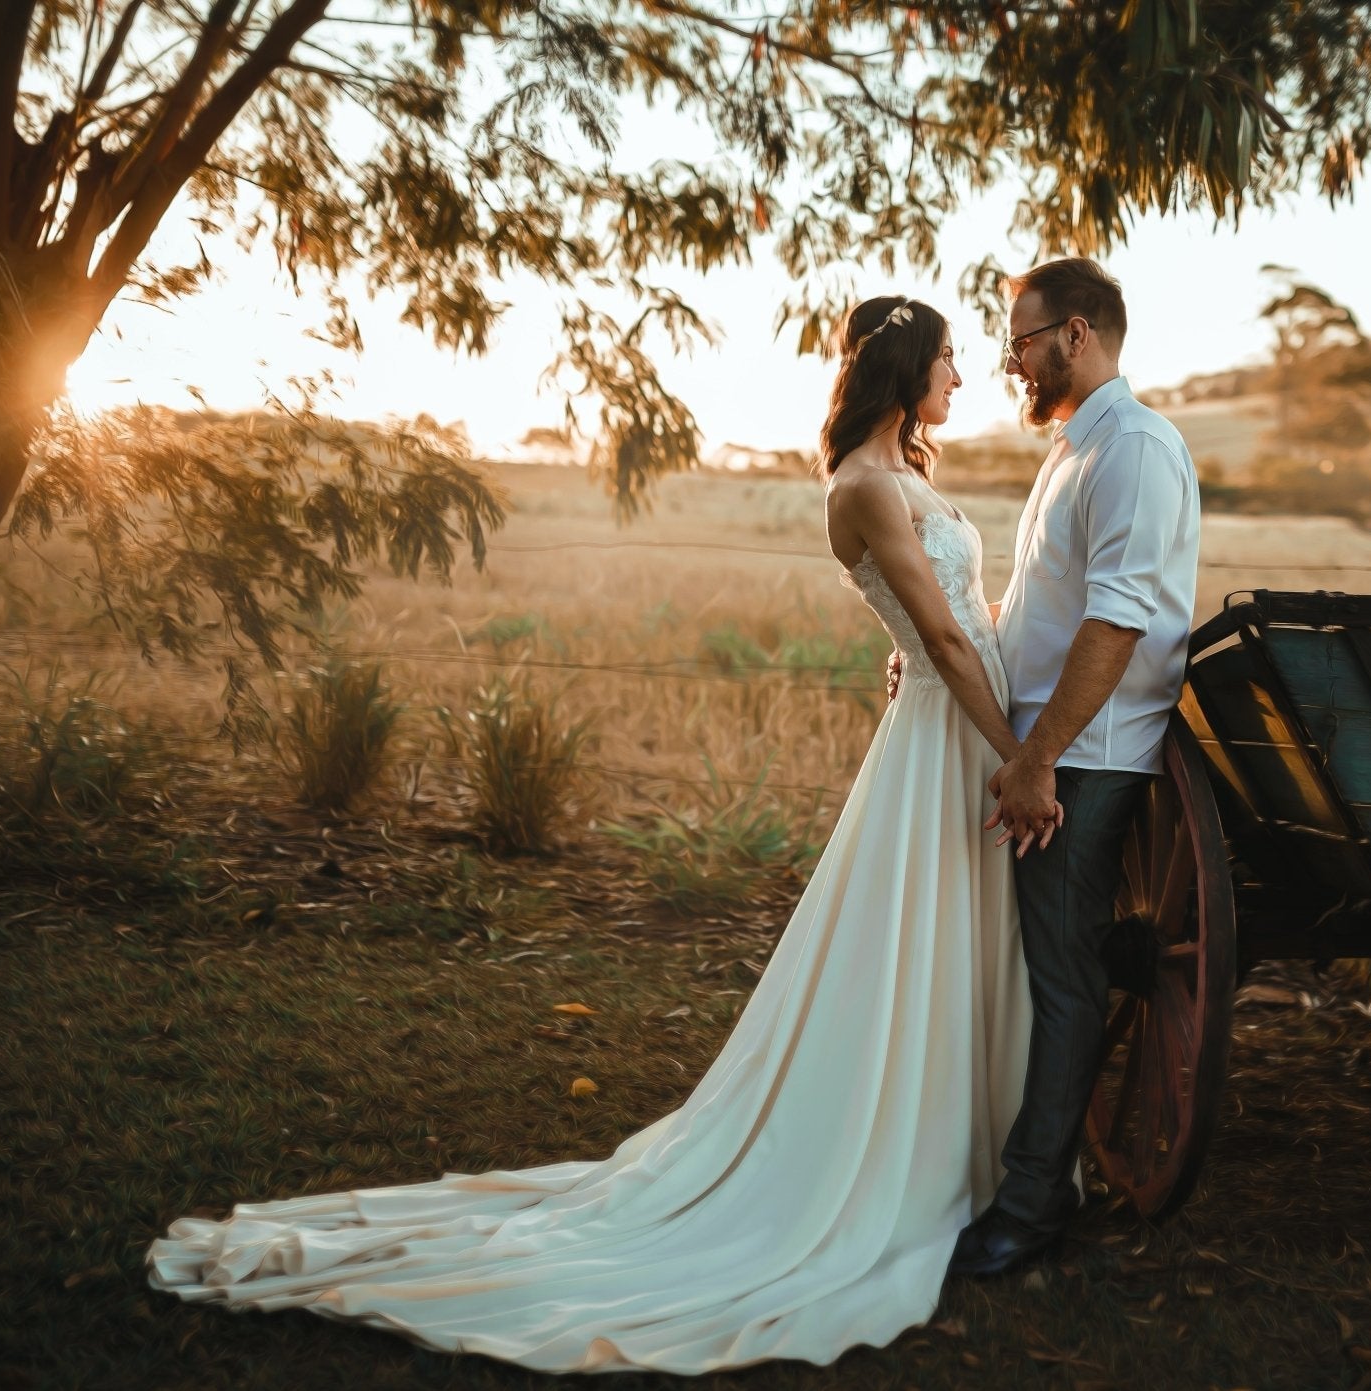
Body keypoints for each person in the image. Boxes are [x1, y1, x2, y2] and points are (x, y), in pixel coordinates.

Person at [146, 295, 1043, 1375]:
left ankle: (972, 1142)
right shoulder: (859, 485)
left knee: (957, 932)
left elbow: (942, 619)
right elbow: (937, 627)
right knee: (917, 931)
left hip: (954, 713)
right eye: (949, 362)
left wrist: (947, 678)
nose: (963, 379)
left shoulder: (906, 472)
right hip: (953, 733)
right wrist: (1013, 753)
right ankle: (897, 1156)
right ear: (905, 370)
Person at [947, 257, 1201, 1278]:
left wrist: (1037, 759)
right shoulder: (1075, 447)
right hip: (1052, 747)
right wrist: (952, 654)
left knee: (1062, 980)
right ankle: (1026, 1172)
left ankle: (1030, 1205)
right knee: (1045, 973)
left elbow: (1114, 622)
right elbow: (1046, 606)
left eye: (1020, 340)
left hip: (1085, 759)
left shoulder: (1133, 449)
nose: (1009, 361)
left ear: (1076, 333)